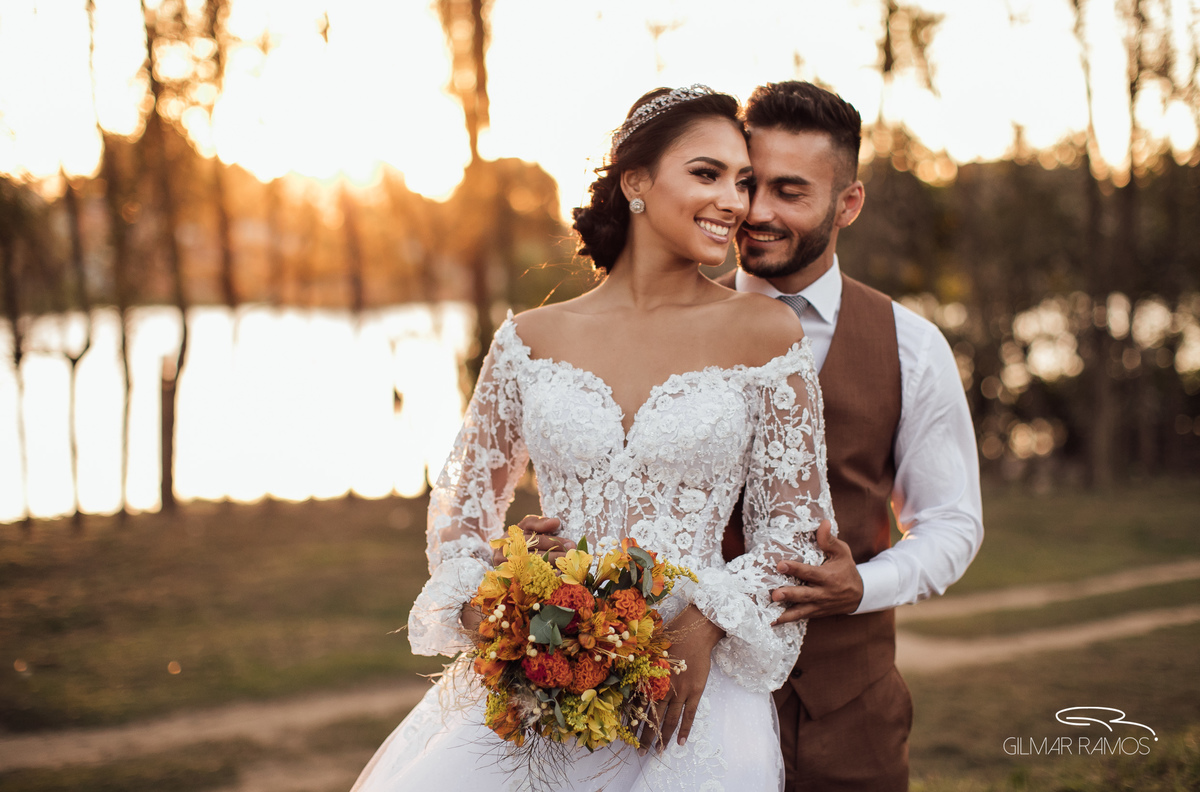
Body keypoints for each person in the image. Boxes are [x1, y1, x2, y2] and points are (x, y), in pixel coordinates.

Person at [351, 85, 835, 792]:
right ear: (635, 181)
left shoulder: (766, 333)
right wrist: (496, 594)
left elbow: (794, 533)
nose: (735, 202)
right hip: (544, 678)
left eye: (743, 182)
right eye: (708, 174)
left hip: (693, 700)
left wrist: (703, 623)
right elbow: (461, 513)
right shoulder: (529, 340)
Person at [515, 81, 984, 792]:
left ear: (847, 203)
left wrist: (861, 584)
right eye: (747, 184)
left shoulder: (910, 347)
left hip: (841, 717)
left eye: (790, 192)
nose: (755, 213)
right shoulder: (654, 327)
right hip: (660, 715)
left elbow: (951, 522)